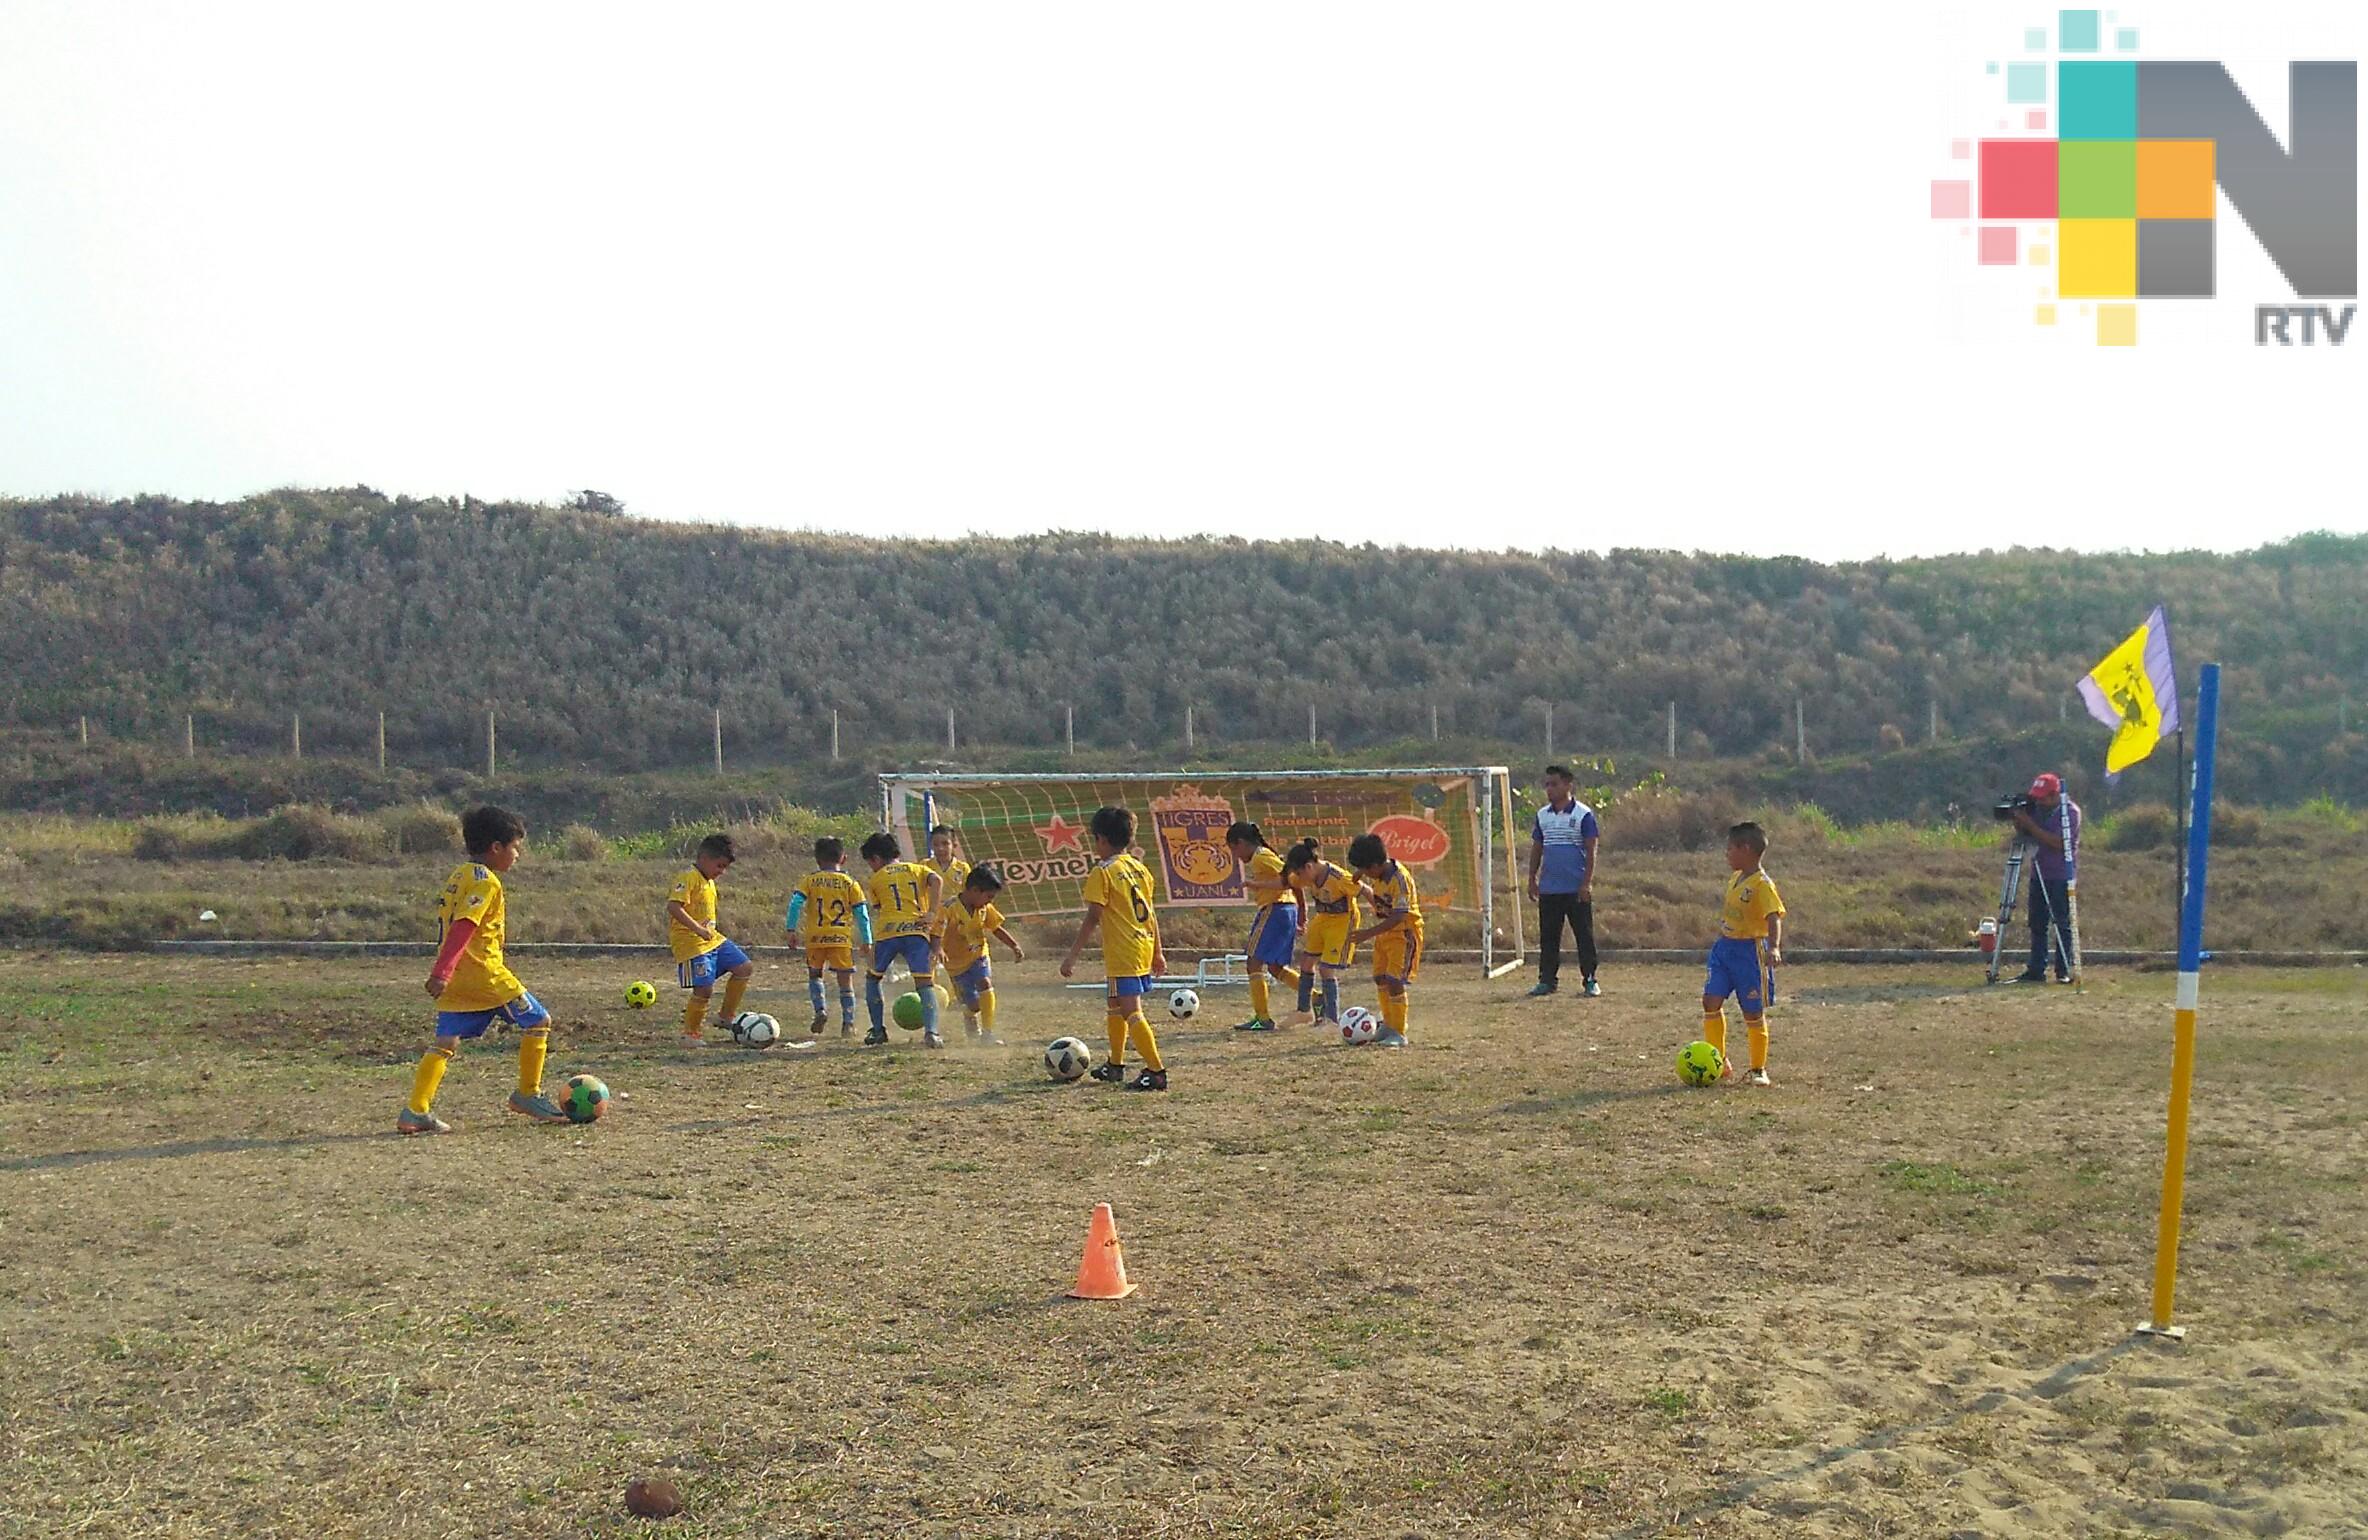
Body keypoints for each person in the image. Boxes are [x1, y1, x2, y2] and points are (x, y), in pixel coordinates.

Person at [398, 805, 568, 1133]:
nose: (517, 855)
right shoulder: (486, 882)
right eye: (515, 847)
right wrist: (442, 971)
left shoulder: (459, 875)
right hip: (484, 973)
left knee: (446, 1041)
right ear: (496, 847)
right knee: (538, 1021)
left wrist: (445, 972)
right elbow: (464, 925)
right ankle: (527, 1094)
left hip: (458, 978)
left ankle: (415, 1110)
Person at [1058, 805, 1170, 1091]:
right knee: (1114, 1003)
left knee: (1131, 1010)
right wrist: (1157, 950)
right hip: (1141, 945)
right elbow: (1151, 913)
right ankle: (1115, 1065)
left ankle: (1156, 1071)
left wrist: (1072, 956)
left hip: (1123, 951)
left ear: (1102, 839)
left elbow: (1093, 916)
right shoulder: (1139, 868)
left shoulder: (1103, 871)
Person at [1701, 821, 1784, 1087]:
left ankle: (1758, 1069)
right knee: (1710, 1001)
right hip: (1724, 948)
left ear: (1745, 849)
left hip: (1750, 952)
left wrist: (1774, 947)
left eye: (1730, 849)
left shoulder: (1763, 884)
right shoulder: (1735, 878)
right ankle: (1718, 1061)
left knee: (1752, 1012)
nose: (1726, 854)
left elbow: (1774, 917)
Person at [667, 833, 753, 1047]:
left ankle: (725, 1016)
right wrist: (697, 928)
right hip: (691, 944)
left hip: (712, 940)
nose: (722, 871)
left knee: (744, 967)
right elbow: (674, 907)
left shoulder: (709, 881)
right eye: (719, 866)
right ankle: (690, 1034)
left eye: (725, 867)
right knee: (704, 989)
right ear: (704, 858)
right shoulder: (688, 877)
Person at [860, 832, 945, 1046]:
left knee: (873, 978)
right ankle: (932, 1032)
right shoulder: (917, 869)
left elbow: (879, 907)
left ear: (876, 858)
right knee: (924, 982)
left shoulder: (876, 879)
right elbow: (937, 880)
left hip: (888, 933)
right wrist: (932, 912)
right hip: (916, 931)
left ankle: (878, 1030)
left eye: (870, 863)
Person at [1525, 764, 1602, 998]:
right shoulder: (1543, 815)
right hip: (1550, 888)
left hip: (1575, 888)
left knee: (1584, 936)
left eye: (1554, 784)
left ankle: (1590, 979)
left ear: (1568, 785)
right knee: (1549, 938)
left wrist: (1586, 883)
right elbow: (1537, 848)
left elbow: (1591, 850)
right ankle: (1547, 980)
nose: (1549, 789)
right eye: (1547, 784)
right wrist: (1532, 878)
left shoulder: (1583, 814)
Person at [786, 836, 870, 1037]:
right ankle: (848, 1023)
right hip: (840, 938)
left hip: (816, 938)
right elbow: (862, 913)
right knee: (845, 981)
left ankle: (820, 1010)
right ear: (843, 858)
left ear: (817, 859)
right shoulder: (850, 883)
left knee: (815, 974)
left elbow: (795, 903)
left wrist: (791, 929)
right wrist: (867, 940)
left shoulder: (810, 880)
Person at [1224, 820, 1302, 1032]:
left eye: (1234, 849)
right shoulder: (1263, 855)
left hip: (1275, 909)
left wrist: (1255, 884)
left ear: (1241, 843)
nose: (1236, 856)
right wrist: (1300, 913)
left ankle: (1262, 1018)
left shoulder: (1260, 856)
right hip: (1285, 909)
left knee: (1253, 962)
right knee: (1275, 968)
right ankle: (1315, 998)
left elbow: (1289, 879)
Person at [1346, 832, 1422, 1048]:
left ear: (1375, 865)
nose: (1365, 875)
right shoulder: (1378, 872)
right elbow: (1366, 881)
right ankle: (1388, 1025)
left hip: (1403, 934)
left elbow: (1399, 916)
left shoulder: (1400, 879)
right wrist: (1359, 874)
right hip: (1385, 934)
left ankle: (1399, 1031)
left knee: (1394, 980)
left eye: (1366, 870)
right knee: (1380, 978)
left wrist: (1367, 933)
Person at [2009, 772, 2082, 984]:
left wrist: (2031, 825)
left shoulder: (2070, 813)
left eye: (2043, 798)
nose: (2039, 802)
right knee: (2037, 923)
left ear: (2055, 795)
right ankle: (2036, 968)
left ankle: (2063, 969)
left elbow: (2059, 843)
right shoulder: (2037, 810)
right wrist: (2020, 821)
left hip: (2061, 875)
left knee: (2062, 923)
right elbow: (2028, 834)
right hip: (2039, 871)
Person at [940, 863, 1024, 1043]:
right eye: (989, 897)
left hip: (979, 955)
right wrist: (936, 950)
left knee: (985, 983)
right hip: (955, 965)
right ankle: (969, 1014)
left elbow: (996, 928)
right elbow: (936, 933)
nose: (990, 902)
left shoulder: (985, 908)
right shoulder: (949, 909)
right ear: (974, 890)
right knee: (973, 1005)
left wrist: (1014, 945)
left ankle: (988, 1034)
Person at [1283, 838, 1361, 1031]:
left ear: (1309, 867)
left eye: (1299, 873)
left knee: (1326, 968)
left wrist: (1380, 910)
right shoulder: (1307, 875)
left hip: (1342, 921)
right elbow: (1286, 883)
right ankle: (1304, 1011)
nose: (1298, 878)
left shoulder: (1338, 877)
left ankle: (1331, 1019)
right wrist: (1256, 883)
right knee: (1306, 962)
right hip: (1323, 919)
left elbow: (1363, 889)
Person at [925, 824, 971, 996]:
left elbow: (968, 896)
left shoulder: (963, 869)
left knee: (955, 960)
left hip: (954, 924)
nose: (940, 848)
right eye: (936, 844)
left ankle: (959, 994)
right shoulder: (924, 866)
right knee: (930, 958)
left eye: (945, 843)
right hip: (932, 922)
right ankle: (931, 995)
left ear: (954, 844)